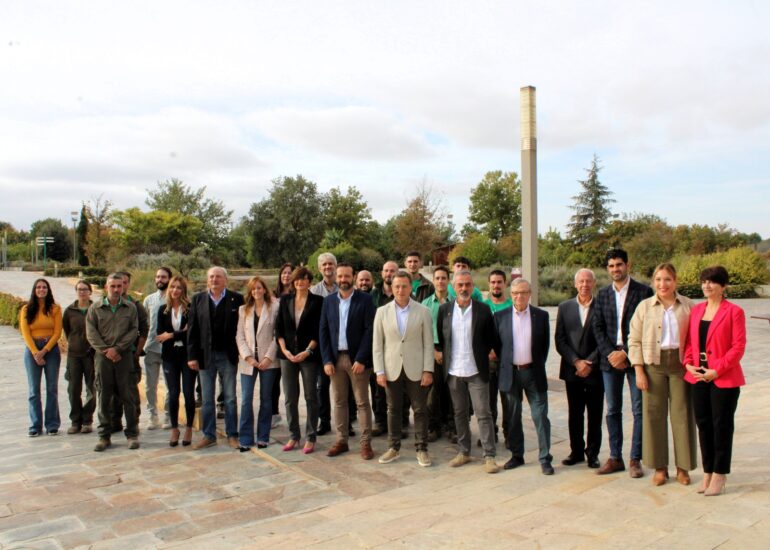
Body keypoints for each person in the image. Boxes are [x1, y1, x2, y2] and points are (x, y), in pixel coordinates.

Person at [629, 263, 696, 486]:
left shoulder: (688, 306)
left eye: (667, 279)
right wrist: (639, 370)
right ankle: (660, 468)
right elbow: (634, 340)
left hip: (680, 365)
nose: (662, 284)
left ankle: (683, 468)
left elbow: (697, 338)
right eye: (658, 279)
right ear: (653, 282)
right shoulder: (644, 307)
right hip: (653, 366)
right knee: (653, 417)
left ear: (675, 281)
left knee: (682, 416)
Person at [683, 266, 746, 496]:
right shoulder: (697, 310)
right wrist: (688, 363)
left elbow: (738, 347)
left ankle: (720, 474)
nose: (707, 286)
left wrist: (716, 371)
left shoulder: (734, 312)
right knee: (703, 425)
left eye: (712, 282)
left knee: (722, 426)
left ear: (723, 286)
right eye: (704, 281)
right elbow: (690, 342)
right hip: (698, 376)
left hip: (723, 378)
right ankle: (707, 471)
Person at [592, 248, 653, 478]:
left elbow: (647, 326)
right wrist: (611, 353)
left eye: (619, 264)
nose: (615, 269)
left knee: (639, 410)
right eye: (611, 266)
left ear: (627, 265)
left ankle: (635, 458)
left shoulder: (643, 292)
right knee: (613, 409)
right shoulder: (603, 294)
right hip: (610, 362)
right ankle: (615, 457)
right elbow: (597, 327)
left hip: (634, 358)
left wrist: (626, 353)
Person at [437, 270, 500, 474]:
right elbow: (442, 336)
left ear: (472, 287)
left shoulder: (483, 310)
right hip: (454, 371)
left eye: (467, 285)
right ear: (453, 287)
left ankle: (489, 455)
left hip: (476, 370)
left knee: (484, 413)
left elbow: (492, 337)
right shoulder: (444, 310)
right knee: (460, 413)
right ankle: (464, 451)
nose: (464, 288)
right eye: (460, 285)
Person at [373, 270, 434, 466]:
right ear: (391, 288)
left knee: (420, 409)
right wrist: (379, 371)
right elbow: (378, 344)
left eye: (404, 286)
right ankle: (393, 447)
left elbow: (428, 343)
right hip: (392, 369)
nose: (400, 290)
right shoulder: (381, 312)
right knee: (393, 409)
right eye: (396, 286)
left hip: (417, 368)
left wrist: (428, 370)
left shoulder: (423, 311)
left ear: (410, 288)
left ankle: (422, 449)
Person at [494, 278, 553, 475]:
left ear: (530, 294)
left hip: (533, 373)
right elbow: (497, 346)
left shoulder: (541, 316)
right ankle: (517, 455)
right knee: (513, 416)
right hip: (510, 373)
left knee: (540, 415)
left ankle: (545, 458)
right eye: (515, 293)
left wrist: (534, 365)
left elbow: (543, 347)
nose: (519, 296)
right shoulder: (500, 317)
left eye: (523, 292)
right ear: (510, 295)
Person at [319, 263, 377, 459]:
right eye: (340, 276)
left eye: (347, 276)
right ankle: (341, 440)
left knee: (362, 402)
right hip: (336, 360)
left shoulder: (366, 300)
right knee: (339, 401)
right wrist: (327, 359)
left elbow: (370, 331)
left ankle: (365, 444)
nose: (343, 279)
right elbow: (323, 332)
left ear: (353, 277)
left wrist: (361, 358)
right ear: (336, 277)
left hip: (357, 361)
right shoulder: (328, 302)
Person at [187, 266, 245, 450]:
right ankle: (209, 435)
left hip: (227, 355)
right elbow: (192, 330)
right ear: (207, 280)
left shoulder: (237, 299)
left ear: (225, 280)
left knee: (229, 397)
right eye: (211, 277)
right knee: (207, 398)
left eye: (218, 277)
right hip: (205, 356)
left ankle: (232, 434)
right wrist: (192, 356)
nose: (214, 280)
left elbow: (242, 329)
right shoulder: (198, 299)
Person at [555, 269, 603, 469]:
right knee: (575, 413)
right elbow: (560, 339)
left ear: (594, 283)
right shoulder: (564, 307)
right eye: (581, 281)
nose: (584, 284)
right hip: (572, 370)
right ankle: (576, 452)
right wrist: (576, 361)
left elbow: (605, 339)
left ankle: (592, 453)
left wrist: (589, 362)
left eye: (588, 281)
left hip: (595, 370)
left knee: (595, 414)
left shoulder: (602, 306)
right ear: (575, 284)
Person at [86, 274, 139, 451]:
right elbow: (91, 333)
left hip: (123, 358)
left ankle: (132, 434)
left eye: (119, 286)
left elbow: (134, 330)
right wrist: (106, 350)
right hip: (103, 359)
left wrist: (118, 349)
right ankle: (104, 436)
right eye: (113, 286)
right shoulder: (96, 308)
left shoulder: (130, 307)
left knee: (128, 397)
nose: (116, 289)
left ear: (123, 287)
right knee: (103, 397)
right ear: (106, 287)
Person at [276, 267, 324, 454]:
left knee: (311, 396)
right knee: (290, 397)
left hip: (309, 356)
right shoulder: (285, 300)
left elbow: (319, 330)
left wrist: (307, 351)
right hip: (287, 356)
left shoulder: (318, 301)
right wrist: (284, 350)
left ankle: (311, 436)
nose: (300, 282)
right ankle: (293, 435)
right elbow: (278, 328)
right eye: (297, 279)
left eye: (304, 279)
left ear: (309, 281)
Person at [236, 276, 279, 451]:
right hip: (249, 362)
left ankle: (263, 436)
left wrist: (268, 357)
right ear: (250, 291)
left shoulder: (275, 307)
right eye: (253, 289)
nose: (256, 291)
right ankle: (245, 438)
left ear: (264, 289)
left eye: (259, 288)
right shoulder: (243, 310)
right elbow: (239, 336)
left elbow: (278, 335)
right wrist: (248, 357)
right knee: (246, 400)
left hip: (268, 361)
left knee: (266, 399)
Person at [20, 278, 62, 437]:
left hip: (50, 349)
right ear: (34, 290)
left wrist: (44, 351)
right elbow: (25, 333)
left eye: (44, 287)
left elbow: (58, 332)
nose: (41, 290)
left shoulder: (55, 309)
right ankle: (35, 425)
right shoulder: (26, 309)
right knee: (33, 390)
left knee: (52, 388)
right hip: (32, 351)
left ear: (48, 290)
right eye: (38, 287)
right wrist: (35, 352)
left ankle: (52, 424)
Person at [156, 276, 196, 447]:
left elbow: (192, 333)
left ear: (183, 290)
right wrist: (181, 332)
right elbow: (159, 335)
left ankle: (188, 428)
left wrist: (172, 334)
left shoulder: (190, 309)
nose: (175, 290)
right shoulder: (162, 310)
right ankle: (174, 428)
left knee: (188, 393)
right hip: (170, 357)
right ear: (169, 289)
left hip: (187, 357)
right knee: (173, 393)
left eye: (179, 287)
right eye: (173, 287)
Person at [110, 271, 148, 433]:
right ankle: (114, 421)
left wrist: (136, 354)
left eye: (125, 283)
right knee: (112, 391)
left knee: (130, 391)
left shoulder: (135, 306)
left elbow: (143, 331)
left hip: (129, 354)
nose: (121, 287)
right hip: (109, 356)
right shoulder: (103, 304)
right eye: (118, 284)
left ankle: (133, 423)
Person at [421, 265, 455, 442]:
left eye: (444, 278)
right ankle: (433, 426)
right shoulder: (425, 305)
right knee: (432, 393)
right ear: (433, 281)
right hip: (431, 350)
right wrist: (434, 352)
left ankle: (451, 427)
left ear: (448, 281)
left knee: (452, 391)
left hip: (453, 351)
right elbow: (422, 332)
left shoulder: (456, 302)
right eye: (437, 278)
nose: (441, 281)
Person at [310, 252, 339, 435]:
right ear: (320, 268)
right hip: (322, 346)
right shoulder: (314, 292)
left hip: (341, 345)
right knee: (322, 386)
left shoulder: (343, 288)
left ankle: (348, 421)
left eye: (331, 264)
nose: (328, 267)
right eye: (324, 265)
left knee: (345, 386)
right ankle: (325, 421)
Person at [482, 269, 512, 446]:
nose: (496, 285)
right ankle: (491, 433)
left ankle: (509, 433)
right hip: (487, 362)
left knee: (508, 401)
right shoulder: (483, 306)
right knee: (488, 401)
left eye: (499, 282)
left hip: (505, 361)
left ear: (505, 284)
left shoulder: (510, 306)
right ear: (489, 285)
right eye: (493, 282)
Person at [62, 280, 95, 434]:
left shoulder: (96, 309)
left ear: (90, 292)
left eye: (85, 289)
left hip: (92, 355)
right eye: (79, 289)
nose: (82, 292)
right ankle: (75, 421)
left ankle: (87, 419)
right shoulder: (69, 310)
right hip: (74, 355)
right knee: (73, 388)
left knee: (92, 388)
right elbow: (67, 331)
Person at [370, 260, 399, 435]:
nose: (389, 274)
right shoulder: (373, 295)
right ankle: (380, 422)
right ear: (382, 273)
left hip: (398, 347)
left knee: (400, 389)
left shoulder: (403, 293)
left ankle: (400, 422)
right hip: (379, 346)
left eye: (392, 271)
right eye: (386, 270)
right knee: (378, 389)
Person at [142, 266, 172, 430]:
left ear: (169, 279)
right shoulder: (149, 300)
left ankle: (168, 415)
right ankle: (152, 415)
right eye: (158, 277)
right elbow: (145, 323)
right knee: (150, 385)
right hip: (151, 348)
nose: (160, 280)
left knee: (170, 385)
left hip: (169, 349)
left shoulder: (173, 299)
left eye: (164, 277)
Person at [271, 262, 294, 429]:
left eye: (289, 273)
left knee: (291, 383)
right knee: (274, 380)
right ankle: (273, 413)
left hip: (293, 342)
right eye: (284, 273)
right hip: (274, 341)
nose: (286, 275)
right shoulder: (272, 295)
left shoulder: (299, 293)